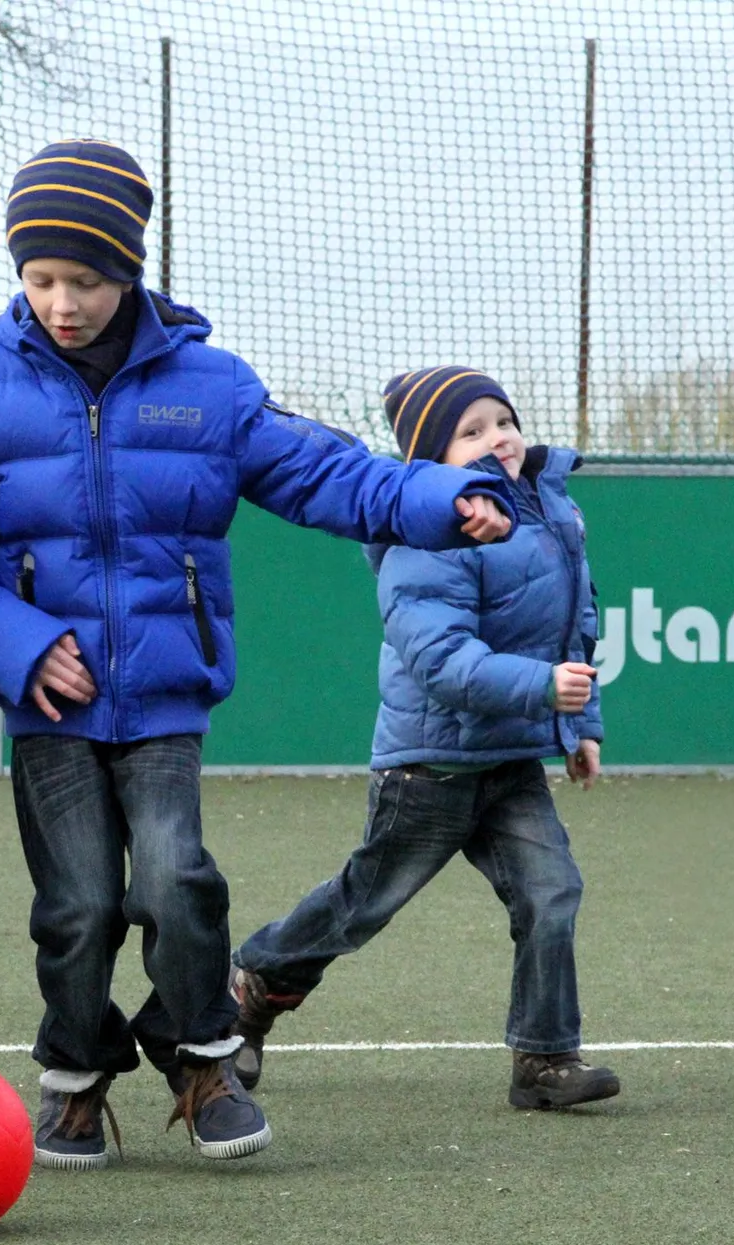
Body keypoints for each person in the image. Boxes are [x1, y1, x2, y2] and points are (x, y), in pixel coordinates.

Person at [0, 140, 515, 1170]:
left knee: (179, 877)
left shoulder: (210, 388)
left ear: (129, 268)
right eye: (40, 278)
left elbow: (333, 477)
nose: (61, 302)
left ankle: (199, 1060)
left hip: (165, 692)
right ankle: (78, 1076)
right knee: (79, 904)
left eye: (85, 279)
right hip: (48, 704)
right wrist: (22, 647)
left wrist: (444, 501)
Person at [230, 366, 621, 1111]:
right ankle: (252, 983)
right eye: (468, 434)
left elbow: (577, 625)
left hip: (507, 760)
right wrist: (542, 689)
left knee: (552, 893)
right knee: (363, 905)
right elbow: (442, 664)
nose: (496, 440)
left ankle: (543, 1060)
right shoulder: (425, 539)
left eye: (500, 421)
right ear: (429, 465)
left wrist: (580, 726)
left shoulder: (551, 511)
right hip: (429, 766)